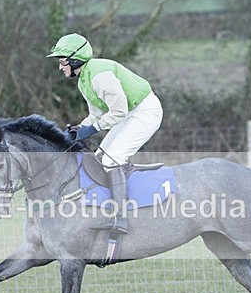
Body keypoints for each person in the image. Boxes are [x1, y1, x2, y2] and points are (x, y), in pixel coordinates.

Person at [46, 33, 163, 234]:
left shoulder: (99, 75)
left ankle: (121, 218)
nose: (60, 67)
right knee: (100, 159)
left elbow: (119, 111)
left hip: (145, 112)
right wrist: (80, 128)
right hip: (129, 113)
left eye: (63, 61)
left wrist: (92, 129)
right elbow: (97, 114)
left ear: (76, 60)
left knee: (112, 160)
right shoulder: (84, 79)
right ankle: (106, 208)